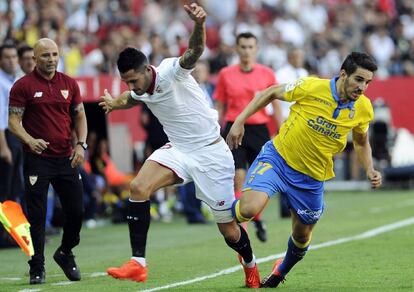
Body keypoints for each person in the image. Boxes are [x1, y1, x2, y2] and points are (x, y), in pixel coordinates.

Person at [99, 3, 260, 288]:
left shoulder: (171, 71)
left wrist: (199, 25)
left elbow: (194, 52)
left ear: (145, 70)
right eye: (125, 82)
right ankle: (138, 264)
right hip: (180, 150)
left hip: (212, 154)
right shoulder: (139, 88)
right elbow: (134, 98)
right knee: (138, 187)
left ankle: (250, 265)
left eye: (133, 80)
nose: (130, 86)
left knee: (229, 232)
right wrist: (116, 102)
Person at [226, 52, 382, 288]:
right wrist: (239, 122)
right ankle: (222, 209)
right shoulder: (311, 86)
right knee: (248, 209)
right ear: (343, 74)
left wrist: (369, 168)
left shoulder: (363, 108)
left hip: (311, 178)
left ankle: (279, 272)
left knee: (302, 237)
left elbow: (361, 141)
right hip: (278, 159)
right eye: (359, 79)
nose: (363, 87)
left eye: (367, 82)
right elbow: (270, 92)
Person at [8, 38, 88, 285]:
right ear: (35, 58)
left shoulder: (69, 83)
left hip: (66, 157)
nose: (51, 59)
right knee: (37, 216)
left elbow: (80, 116)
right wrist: (30, 141)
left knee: (76, 211)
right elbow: (13, 122)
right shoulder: (23, 86)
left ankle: (65, 252)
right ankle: (37, 266)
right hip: (37, 160)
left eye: (54, 54)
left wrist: (81, 144)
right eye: (45, 55)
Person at [214, 32, 283, 242]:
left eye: (250, 47)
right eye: (242, 47)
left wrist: (281, 129)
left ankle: (257, 219)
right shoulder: (226, 74)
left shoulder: (267, 73)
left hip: (259, 129)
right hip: (234, 128)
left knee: (260, 181)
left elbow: (276, 103)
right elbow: (220, 104)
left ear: (257, 49)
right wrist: (217, 130)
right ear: (236, 49)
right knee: (239, 178)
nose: (246, 51)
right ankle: (242, 228)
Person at [275, 47, 309, 218]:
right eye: (295, 56)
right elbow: (276, 100)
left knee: (300, 165)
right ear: (289, 57)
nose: (298, 59)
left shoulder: (303, 72)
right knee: (286, 164)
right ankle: (285, 205)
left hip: (301, 124)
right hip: (286, 123)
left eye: (300, 56)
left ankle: (298, 204)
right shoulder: (281, 74)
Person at [0, 43, 25, 248]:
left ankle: (10, 234)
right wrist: (3, 147)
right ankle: (2, 236)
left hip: (16, 137)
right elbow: (0, 117)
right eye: (7, 57)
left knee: (14, 187)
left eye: (13, 57)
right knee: (4, 190)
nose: (11, 61)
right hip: (6, 137)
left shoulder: (14, 80)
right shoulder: (0, 82)